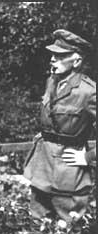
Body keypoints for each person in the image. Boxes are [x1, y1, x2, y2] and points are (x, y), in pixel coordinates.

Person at [24, 29, 96, 222]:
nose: (53, 59)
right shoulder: (51, 82)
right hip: (42, 168)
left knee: (68, 233)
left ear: (77, 61)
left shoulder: (88, 92)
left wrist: (89, 156)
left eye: (60, 55)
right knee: (36, 231)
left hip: (69, 171)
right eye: (53, 54)